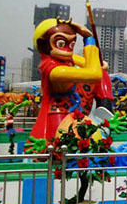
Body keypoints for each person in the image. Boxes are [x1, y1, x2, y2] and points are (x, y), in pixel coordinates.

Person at [27, 17, 108, 147]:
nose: (67, 50)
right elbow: (95, 74)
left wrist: (99, 64)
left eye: (71, 44)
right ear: (43, 44)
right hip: (58, 113)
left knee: (78, 146)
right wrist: (88, 38)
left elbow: (98, 67)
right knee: (60, 147)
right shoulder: (55, 70)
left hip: (74, 111)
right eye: (60, 43)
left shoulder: (66, 60)